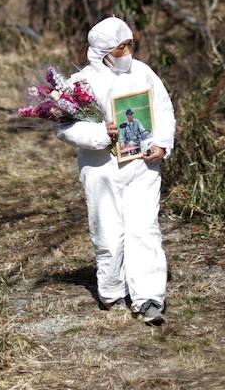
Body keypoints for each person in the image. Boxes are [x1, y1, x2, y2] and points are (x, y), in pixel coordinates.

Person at [55, 16, 175, 325]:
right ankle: (111, 291)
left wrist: (161, 143)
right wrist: (100, 134)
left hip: (143, 165)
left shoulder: (144, 73)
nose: (126, 53)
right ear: (103, 50)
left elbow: (162, 109)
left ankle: (149, 297)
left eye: (129, 46)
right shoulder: (81, 83)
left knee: (144, 230)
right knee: (108, 232)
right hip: (101, 170)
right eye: (120, 48)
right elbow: (65, 128)